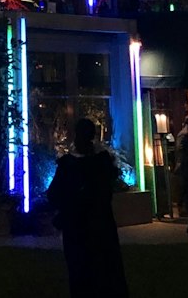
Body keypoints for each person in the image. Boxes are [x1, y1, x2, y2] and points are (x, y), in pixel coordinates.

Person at [47, 118, 129, 298]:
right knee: (105, 270)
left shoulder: (68, 165)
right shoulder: (103, 163)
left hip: (76, 228)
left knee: (79, 273)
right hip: (101, 226)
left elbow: (53, 194)